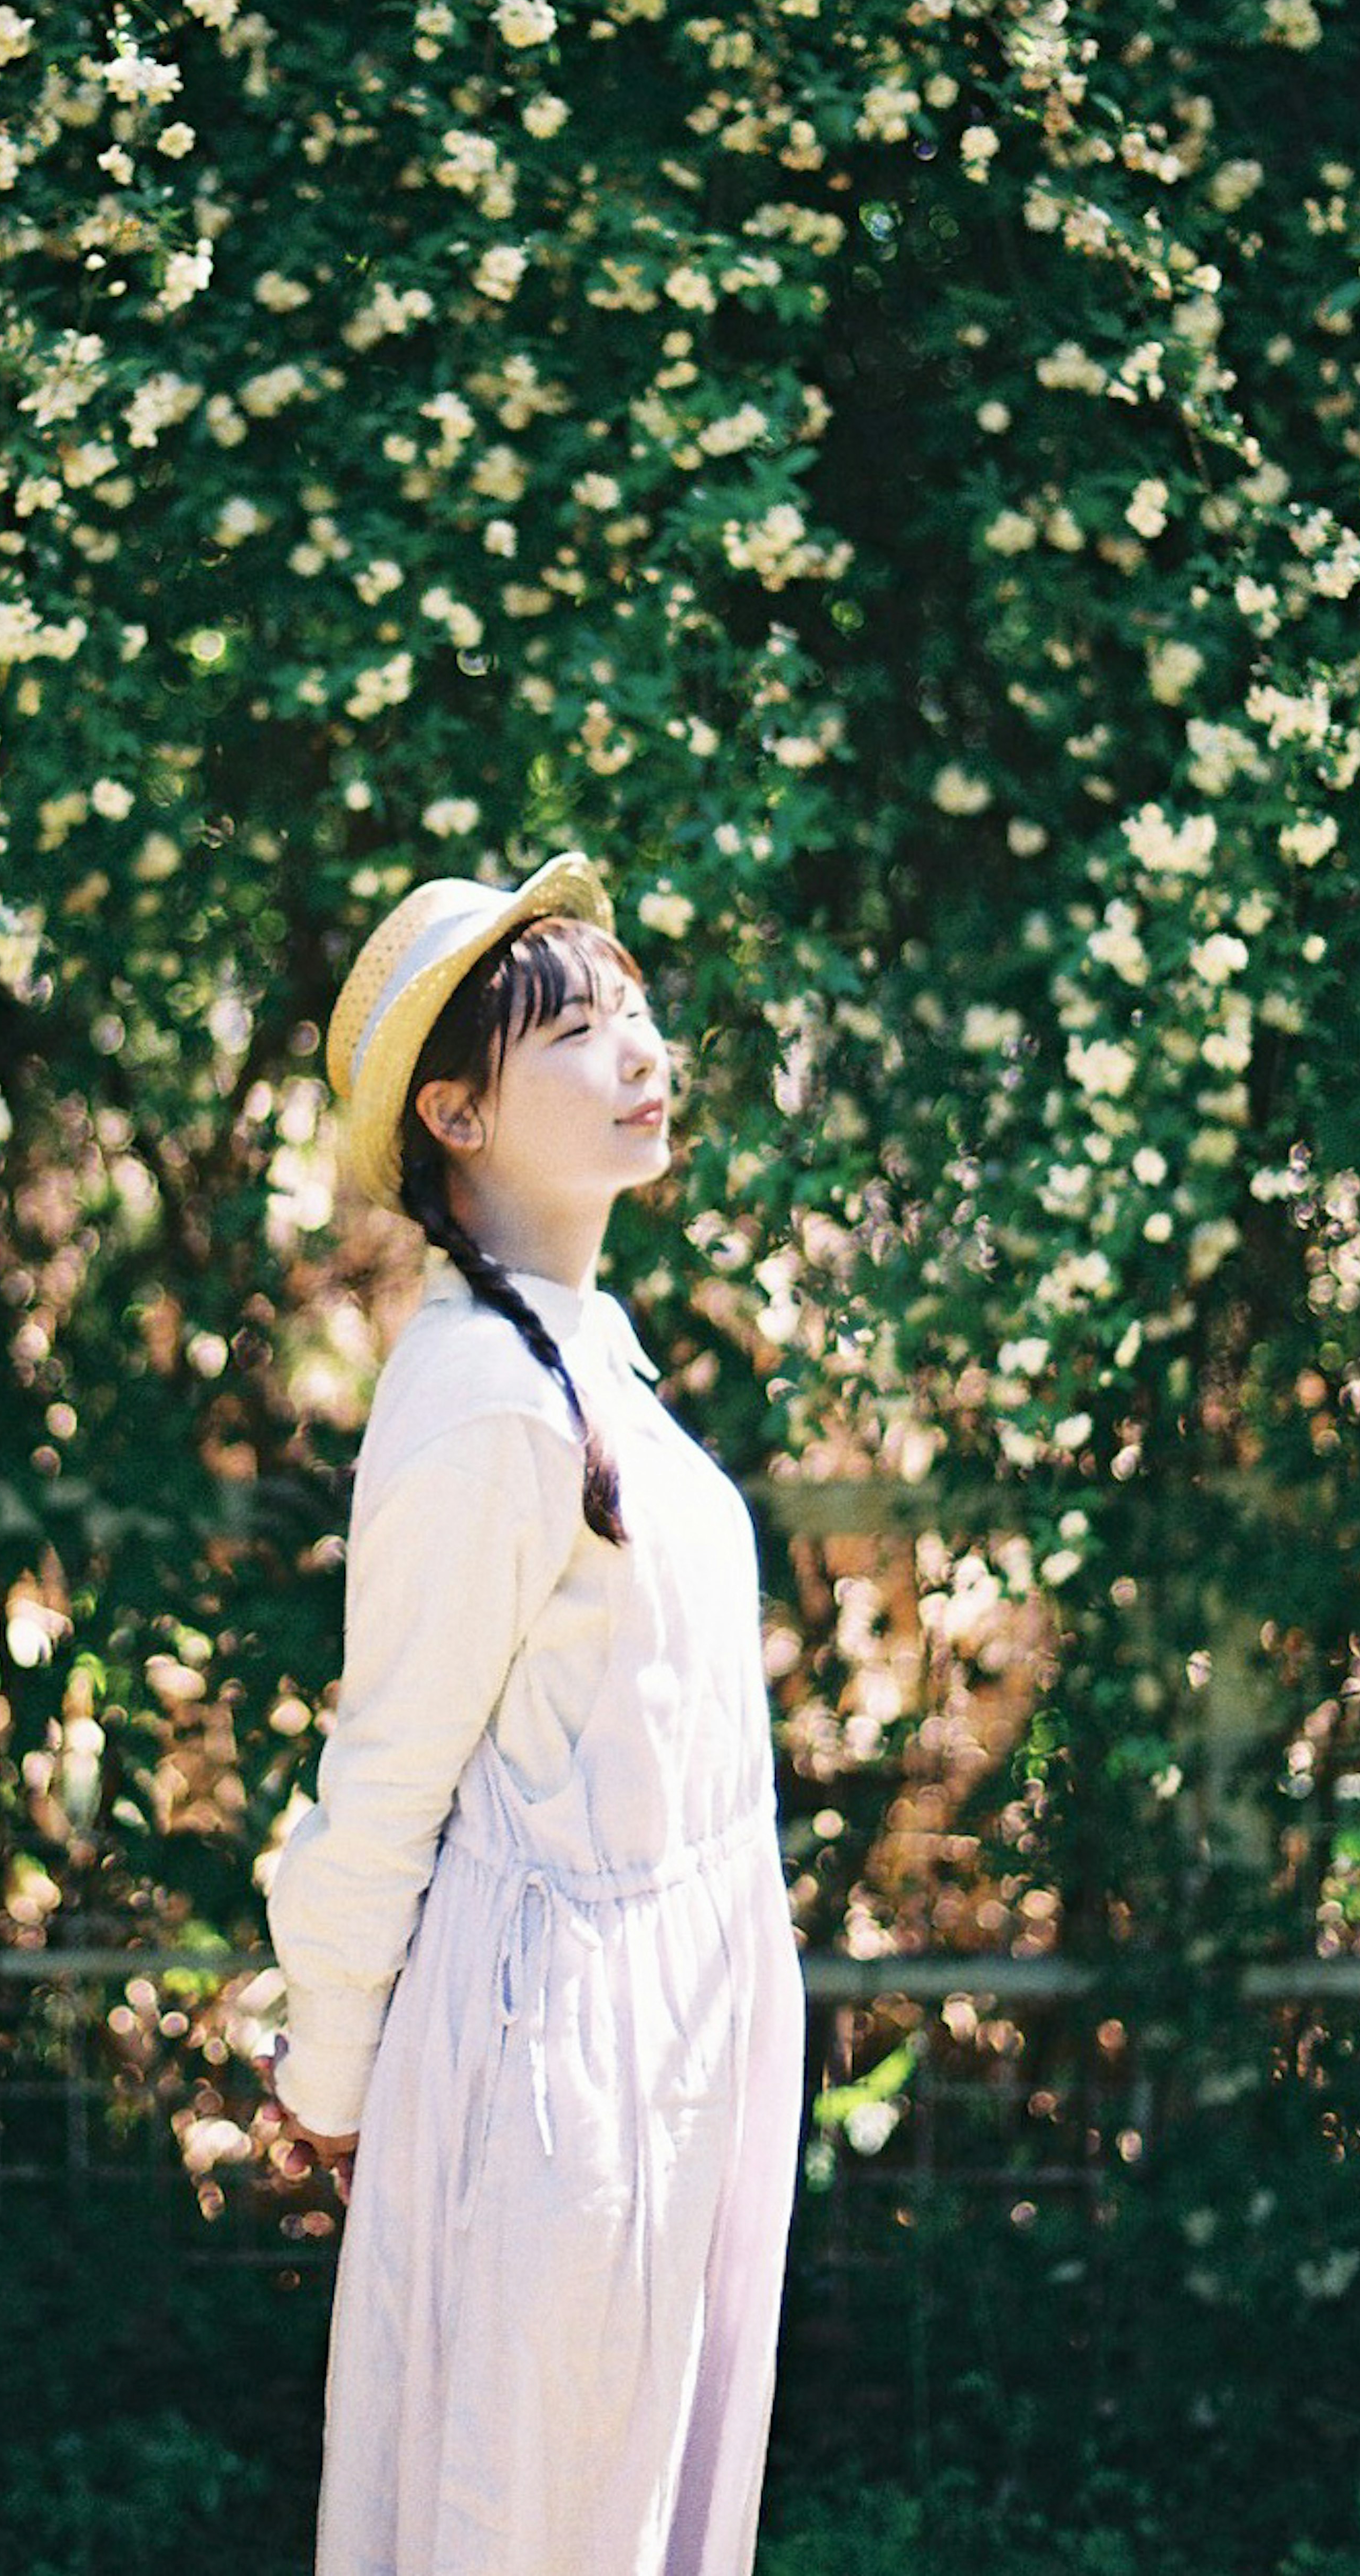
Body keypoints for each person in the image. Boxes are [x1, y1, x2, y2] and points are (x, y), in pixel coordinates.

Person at [263, 849, 807, 2576]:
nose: (641, 1050)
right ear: (459, 1113)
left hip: (665, 2034)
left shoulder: (575, 1353)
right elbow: (388, 1781)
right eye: (580, 1027)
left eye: (638, 1009)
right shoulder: (488, 1399)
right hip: (560, 2069)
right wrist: (337, 2091)